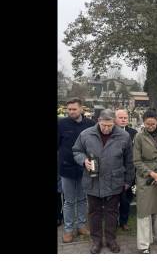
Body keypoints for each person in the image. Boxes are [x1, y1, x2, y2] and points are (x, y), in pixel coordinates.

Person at [73, 109, 134, 253]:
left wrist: (127, 181)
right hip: (93, 181)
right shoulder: (86, 134)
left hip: (115, 181)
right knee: (94, 212)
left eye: (109, 125)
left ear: (114, 122)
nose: (106, 128)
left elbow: (129, 161)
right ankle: (96, 241)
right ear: (98, 121)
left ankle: (111, 239)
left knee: (112, 212)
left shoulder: (124, 136)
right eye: (103, 125)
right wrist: (83, 161)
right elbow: (76, 151)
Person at [133, 110, 157, 253]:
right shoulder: (139, 137)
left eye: (153, 124)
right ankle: (144, 244)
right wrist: (151, 174)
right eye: (147, 123)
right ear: (143, 122)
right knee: (144, 210)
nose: (150, 126)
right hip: (146, 178)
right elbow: (136, 160)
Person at [58, 98, 95, 243]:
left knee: (82, 199)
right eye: (69, 109)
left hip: (84, 168)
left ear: (81, 109)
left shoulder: (90, 125)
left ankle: (81, 225)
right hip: (66, 168)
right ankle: (68, 230)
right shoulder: (61, 124)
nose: (71, 112)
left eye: (74, 109)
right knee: (68, 201)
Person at [114, 109, 138, 231]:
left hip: (129, 171)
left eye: (125, 118)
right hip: (114, 171)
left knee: (126, 199)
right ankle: (113, 221)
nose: (123, 120)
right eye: (120, 117)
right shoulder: (110, 132)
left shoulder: (133, 133)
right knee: (113, 200)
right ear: (115, 119)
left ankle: (124, 221)